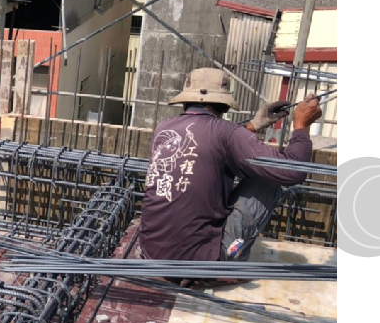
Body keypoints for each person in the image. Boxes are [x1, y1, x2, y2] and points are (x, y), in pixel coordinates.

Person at [137, 67, 323, 285]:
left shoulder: (164, 127)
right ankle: (220, 265)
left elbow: (208, 139)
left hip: (152, 251)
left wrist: (254, 125)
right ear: (225, 104)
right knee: (267, 180)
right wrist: (301, 126)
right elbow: (292, 171)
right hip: (197, 262)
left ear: (185, 101)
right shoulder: (227, 133)